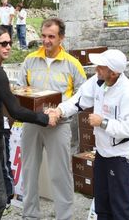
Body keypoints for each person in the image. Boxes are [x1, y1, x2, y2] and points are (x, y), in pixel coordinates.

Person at [0, 26, 57, 219]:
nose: (8, 47)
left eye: (10, 43)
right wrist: (44, 117)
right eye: (3, 44)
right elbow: (15, 109)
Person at [49, 49, 129, 220]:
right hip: (101, 153)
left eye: (100, 67)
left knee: (122, 207)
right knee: (102, 204)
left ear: (113, 73)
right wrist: (59, 111)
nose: (95, 69)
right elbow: (79, 100)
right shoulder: (98, 81)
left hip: (120, 157)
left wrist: (103, 122)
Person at [17, 17, 87, 220]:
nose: (46, 41)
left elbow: (83, 96)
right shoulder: (30, 59)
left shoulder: (73, 64)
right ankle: (30, 215)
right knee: (29, 171)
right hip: (32, 123)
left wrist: (61, 112)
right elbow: (20, 88)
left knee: (60, 174)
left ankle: (64, 216)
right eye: (44, 36)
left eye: (51, 37)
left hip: (59, 125)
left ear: (61, 38)